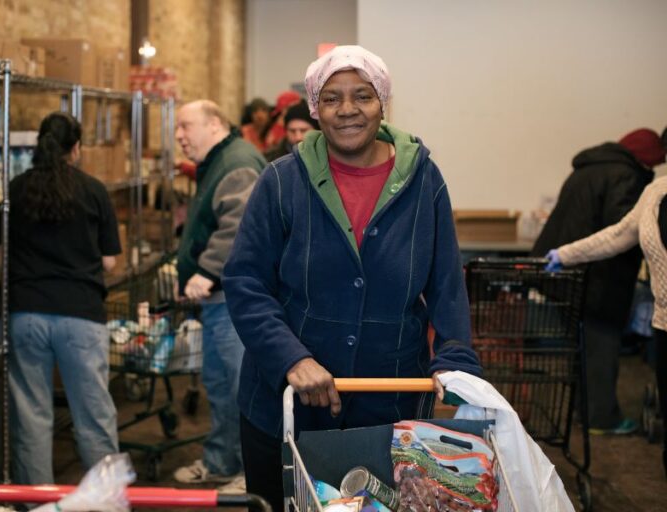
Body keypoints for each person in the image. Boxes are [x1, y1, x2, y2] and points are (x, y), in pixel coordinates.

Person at [222, 45, 482, 510]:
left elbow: (445, 282)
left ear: (383, 103)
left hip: (389, 405)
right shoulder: (281, 181)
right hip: (285, 408)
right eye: (331, 98)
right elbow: (245, 282)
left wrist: (454, 359)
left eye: (362, 96)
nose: (347, 110)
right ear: (314, 108)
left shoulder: (424, 180)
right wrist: (291, 359)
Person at [3, 112, 121, 484]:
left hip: (25, 314)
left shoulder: (15, 188)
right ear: (76, 148)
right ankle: (105, 504)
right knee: (94, 415)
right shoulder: (93, 190)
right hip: (80, 315)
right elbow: (110, 261)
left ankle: (35, 503)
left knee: (32, 417)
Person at [544, 138, 667, 473]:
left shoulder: (593, 168)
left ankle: (595, 413)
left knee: (592, 348)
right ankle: (600, 415)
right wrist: (566, 254)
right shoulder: (652, 190)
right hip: (652, 317)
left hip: (596, 286)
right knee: (599, 348)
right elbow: (619, 232)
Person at [172, 100, 266, 492]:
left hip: (233, 299)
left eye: (185, 126)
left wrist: (207, 270)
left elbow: (239, 223)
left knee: (237, 386)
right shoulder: (220, 161)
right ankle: (221, 461)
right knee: (219, 383)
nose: (178, 135)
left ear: (214, 125)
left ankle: (252, 473)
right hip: (218, 300)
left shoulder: (237, 162)